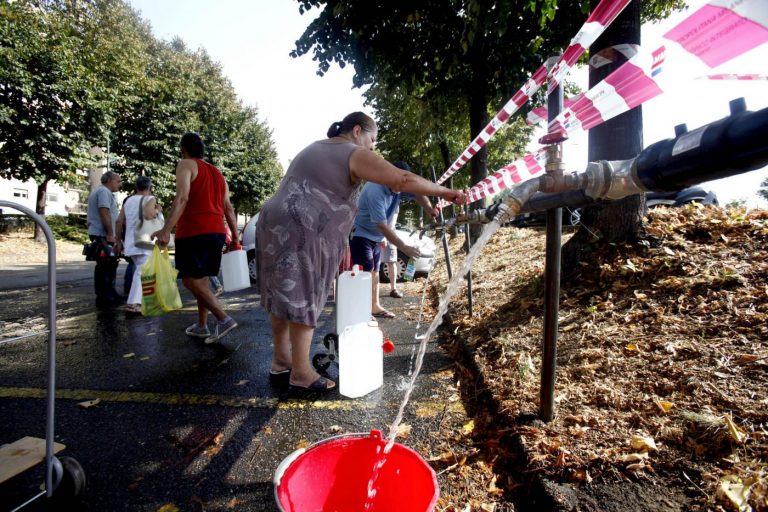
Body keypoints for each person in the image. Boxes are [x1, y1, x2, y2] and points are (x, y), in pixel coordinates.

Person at [256, 112, 465, 394]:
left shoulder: (317, 147)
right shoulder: (352, 152)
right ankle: (302, 373)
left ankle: (282, 360)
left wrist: (428, 202)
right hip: (303, 225)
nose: (372, 148)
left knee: (282, 293)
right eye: (372, 140)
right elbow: (401, 179)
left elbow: (402, 187)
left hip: (272, 220)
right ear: (357, 131)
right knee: (307, 292)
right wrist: (446, 193)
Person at [152, 133, 239, 344]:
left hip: (194, 231)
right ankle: (201, 326)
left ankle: (223, 318)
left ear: (183, 149)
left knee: (190, 279)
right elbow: (228, 207)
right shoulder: (218, 173)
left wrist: (165, 230)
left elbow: (182, 198)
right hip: (217, 232)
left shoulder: (185, 164)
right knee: (202, 281)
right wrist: (236, 237)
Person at [350, 160, 434, 318]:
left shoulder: (398, 185)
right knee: (365, 272)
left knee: (374, 271)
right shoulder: (375, 190)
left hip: (375, 236)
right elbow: (383, 226)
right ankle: (360, 312)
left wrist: (430, 209)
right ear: (391, 175)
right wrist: (404, 247)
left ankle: (374, 307)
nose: (404, 187)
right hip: (361, 233)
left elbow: (417, 193)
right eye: (402, 181)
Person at [115, 176, 160, 315]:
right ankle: (133, 304)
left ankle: (142, 301)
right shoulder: (150, 199)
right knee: (141, 271)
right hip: (144, 240)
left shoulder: (128, 200)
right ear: (149, 187)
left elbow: (119, 221)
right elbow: (149, 214)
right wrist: (158, 211)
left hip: (130, 240)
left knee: (142, 270)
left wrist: (118, 240)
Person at [86, 170, 123, 307]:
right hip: (102, 234)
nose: (119, 184)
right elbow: (104, 213)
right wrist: (110, 234)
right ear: (109, 181)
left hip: (102, 233)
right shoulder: (103, 192)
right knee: (106, 264)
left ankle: (109, 294)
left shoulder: (102, 192)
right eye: (117, 181)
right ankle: (105, 296)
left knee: (108, 264)